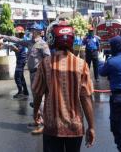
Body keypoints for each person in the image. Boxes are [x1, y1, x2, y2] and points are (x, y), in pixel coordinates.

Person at [32, 21, 95, 152]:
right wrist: (91, 126)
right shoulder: (81, 64)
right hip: (75, 127)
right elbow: (86, 98)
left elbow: (38, 93)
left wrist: (35, 111)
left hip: (52, 126)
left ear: (52, 39)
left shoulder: (45, 64)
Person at [0, 22, 51, 134]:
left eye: (33, 30)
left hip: (39, 74)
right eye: (31, 30)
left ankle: (46, 124)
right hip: (32, 73)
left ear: (38, 32)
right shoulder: (29, 42)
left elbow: (48, 58)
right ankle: (38, 120)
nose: (31, 32)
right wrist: (4, 36)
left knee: (40, 99)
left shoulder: (42, 44)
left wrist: (46, 73)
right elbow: (16, 40)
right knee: (36, 97)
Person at [10, 29, 29, 99]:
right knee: (21, 76)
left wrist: (13, 47)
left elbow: (18, 50)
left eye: (17, 34)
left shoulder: (21, 41)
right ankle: (25, 91)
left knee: (17, 76)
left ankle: (20, 92)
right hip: (21, 60)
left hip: (21, 60)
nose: (16, 35)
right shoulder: (20, 41)